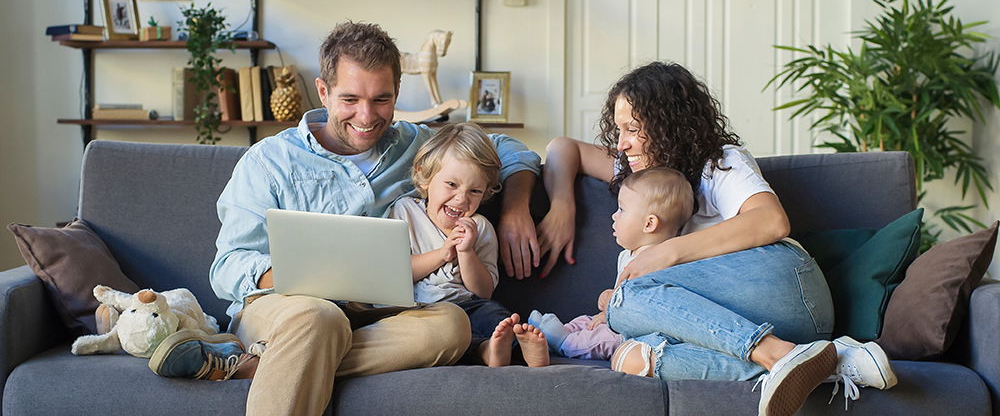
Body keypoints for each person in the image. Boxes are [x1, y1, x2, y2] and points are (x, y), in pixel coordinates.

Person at [149, 21, 543, 416]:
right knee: (320, 317)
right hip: (287, 311)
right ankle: (285, 349)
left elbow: (508, 150)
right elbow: (227, 268)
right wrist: (306, 274)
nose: (367, 116)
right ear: (323, 91)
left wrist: (513, 209)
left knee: (451, 326)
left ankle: (257, 364)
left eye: (381, 100)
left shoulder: (419, 145)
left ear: (397, 93)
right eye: (350, 99)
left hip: (380, 316)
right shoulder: (269, 161)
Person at [536, 62, 897, 416]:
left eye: (632, 128)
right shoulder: (641, 172)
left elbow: (772, 221)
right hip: (767, 323)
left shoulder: (719, 163)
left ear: (667, 125)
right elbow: (563, 148)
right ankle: (828, 361)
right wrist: (562, 207)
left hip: (788, 287)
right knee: (630, 356)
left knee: (626, 299)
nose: (623, 144)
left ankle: (775, 353)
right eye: (619, 130)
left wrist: (666, 254)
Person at [387, 122, 549, 368]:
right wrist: (443, 254)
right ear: (424, 178)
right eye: (451, 185)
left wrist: (466, 252)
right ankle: (485, 351)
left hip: (466, 305)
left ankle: (510, 349)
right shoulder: (404, 212)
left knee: (495, 316)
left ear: (485, 193)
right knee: (432, 331)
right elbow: (396, 273)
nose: (461, 199)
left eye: (474, 191)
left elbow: (483, 291)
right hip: (416, 309)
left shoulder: (480, 227)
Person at [529, 167, 693, 361]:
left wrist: (609, 309)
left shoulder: (659, 263)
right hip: (614, 319)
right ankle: (557, 332)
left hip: (633, 333)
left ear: (649, 224)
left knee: (604, 339)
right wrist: (608, 301)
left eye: (621, 210)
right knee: (586, 321)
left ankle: (566, 343)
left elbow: (640, 310)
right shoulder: (627, 255)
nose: (614, 216)